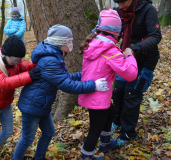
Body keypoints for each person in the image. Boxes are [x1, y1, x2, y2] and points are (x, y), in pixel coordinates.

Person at [12, 24, 109, 160]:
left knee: (48, 132)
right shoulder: (50, 60)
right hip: (33, 106)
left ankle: (39, 157)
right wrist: (93, 85)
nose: (71, 44)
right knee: (27, 138)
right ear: (61, 43)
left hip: (42, 105)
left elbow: (65, 78)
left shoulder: (54, 56)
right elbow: (67, 85)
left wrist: (85, 74)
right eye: (69, 41)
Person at [78, 9, 138, 160]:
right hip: (98, 97)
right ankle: (86, 156)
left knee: (110, 113)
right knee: (95, 129)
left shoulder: (92, 44)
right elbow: (130, 74)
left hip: (92, 92)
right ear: (117, 33)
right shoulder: (110, 51)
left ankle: (105, 143)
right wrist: (129, 56)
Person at [112, 0, 162, 146]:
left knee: (131, 93)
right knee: (118, 90)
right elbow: (115, 31)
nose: (120, 6)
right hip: (125, 58)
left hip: (144, 58)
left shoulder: (148, 9)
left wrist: (135, 48)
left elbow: (156, 36)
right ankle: (116, 121)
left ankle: (127, 133)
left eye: (123, 2)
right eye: (118, 2)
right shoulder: (119, 12)